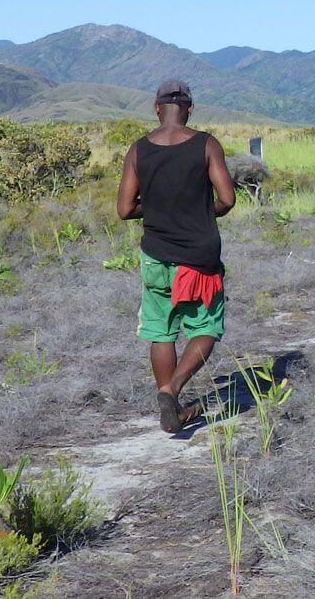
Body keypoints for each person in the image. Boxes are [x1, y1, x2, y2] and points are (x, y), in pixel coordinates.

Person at [116, 80, 236, 432]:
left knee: (161, 332)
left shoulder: (137, 150)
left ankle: (171, 405)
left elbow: (124, 209)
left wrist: (156, 210)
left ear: (156, 108)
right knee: (206, 327)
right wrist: (199, 210)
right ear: (189, 109)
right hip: (198, 260)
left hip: (155, 257)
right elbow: (227, 199)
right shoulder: (206, 144)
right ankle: (173, 389)